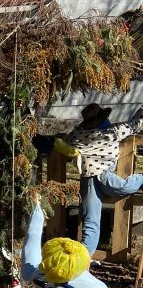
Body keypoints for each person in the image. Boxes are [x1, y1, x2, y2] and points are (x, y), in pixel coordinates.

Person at [55, 102, 143, 256]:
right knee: (91, 220)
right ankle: (82, 258)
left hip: (100, 174)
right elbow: (134, 125)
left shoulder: (81, 134)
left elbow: (65, 142)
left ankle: (81, 258)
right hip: (90, 178)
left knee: (94, 217)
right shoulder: (111, 131)